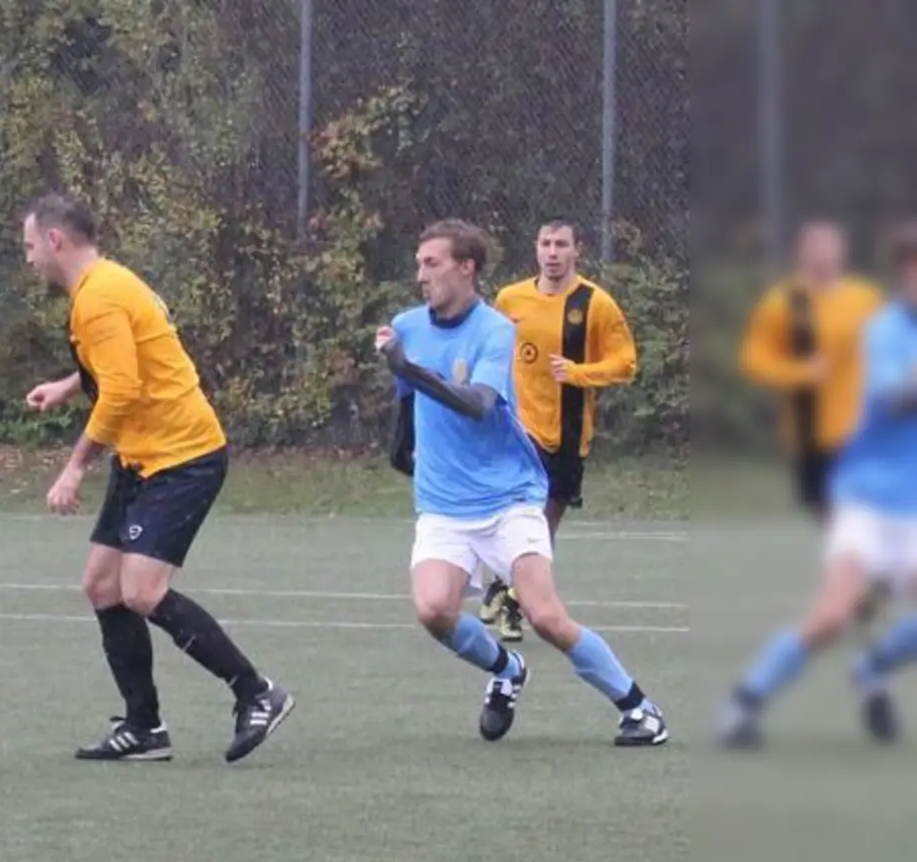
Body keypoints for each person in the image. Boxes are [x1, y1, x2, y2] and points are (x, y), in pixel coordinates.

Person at [19, 192, 293, 763]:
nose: (28, 260)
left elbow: (122, 391)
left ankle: (257, 692)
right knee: (102, 585)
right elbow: (125, 358)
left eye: (28, 247)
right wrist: (68, 385)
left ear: (54, 240)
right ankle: (144, 728)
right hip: (144, 457)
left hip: (183, 457)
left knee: (142, 592)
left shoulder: (99, 297)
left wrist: (73, 468)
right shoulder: (109, 284)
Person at [376, 219, 668, 747]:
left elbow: (477, 404)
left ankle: (640, 709)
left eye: (432, 263)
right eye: (419, 264)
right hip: (443, 506)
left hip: (508, 498)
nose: (421, 276)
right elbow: (405, 401)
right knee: (433, 611)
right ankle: (506, 670)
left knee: (545, 616)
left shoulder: (494, 329)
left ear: (467, 268)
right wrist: (401, 451)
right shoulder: (407, 326)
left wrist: (411, 369)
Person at [717, 221, 917, 748]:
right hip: (869, 497)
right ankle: (745, 702)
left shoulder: (863, 304)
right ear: (905, 273)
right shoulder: (883, 330)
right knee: (832, 612)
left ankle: (871, 666)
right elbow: (896, 398)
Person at [477, 219, 639, 642]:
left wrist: (580, 372)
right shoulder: (511, 298)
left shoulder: (595, 304)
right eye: (545, 243)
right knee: (508, 513)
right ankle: (504, 589)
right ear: (536, 249)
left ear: (576, 250)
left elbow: (625, 363)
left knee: (542, 531)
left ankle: (512, 598)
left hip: (567, 432)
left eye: (561, 245)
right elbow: (489, 348)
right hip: (515, 427)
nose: (552, 252)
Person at [740, 220, 885, 523]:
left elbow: (892, 343)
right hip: (811, 430)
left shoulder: (864, 298)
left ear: (842, 252)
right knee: (829, 515)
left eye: (830, 246)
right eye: (815, 247)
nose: (824, 254)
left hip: (862, 427)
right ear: (801, 253)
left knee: (866, 512)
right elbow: (754, 360)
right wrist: (800, 372)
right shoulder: (784, 302)